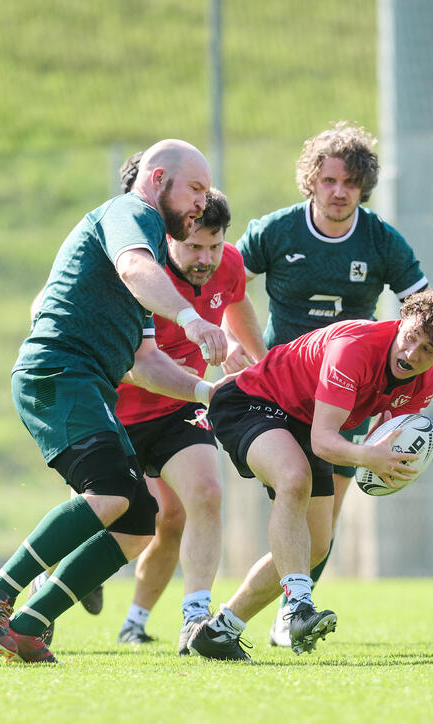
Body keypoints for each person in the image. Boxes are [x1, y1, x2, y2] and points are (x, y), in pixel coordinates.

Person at [0, 139, 229, 664]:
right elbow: (132, 267)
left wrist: (205, 392)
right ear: (156, 180)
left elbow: (143, 363)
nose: (202, 202)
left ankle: (32, 623)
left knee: (137, 523)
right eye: (194, 188)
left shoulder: (147, 262)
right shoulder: (131, 214)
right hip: (58, 372)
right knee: (108, 492)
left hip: (83, 379)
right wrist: (193, 320)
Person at [187, 291, 433, 660]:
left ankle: (220, 631)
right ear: (401, 322)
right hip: (252, 401)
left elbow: (386, 436)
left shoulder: (423, 385)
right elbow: (325, 442)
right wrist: (368, 458)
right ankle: (299, 610)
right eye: (410, 337)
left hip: (306, 421)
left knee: (316, 545)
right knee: (293, 477)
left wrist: (389, 463)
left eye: (429, 350)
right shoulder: (355, 347)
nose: (411, 354)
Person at [235, 121, 429, 646]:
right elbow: (226, 282)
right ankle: (257, 613)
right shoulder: (277, 231)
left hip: (348, 399)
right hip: (279, 393)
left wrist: (400, 391)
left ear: (364, 187)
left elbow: (424, 312)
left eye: (350, 183)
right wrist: (253, 354)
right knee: (292, 497)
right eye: (329, 181)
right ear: (311, 182)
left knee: (324, 522)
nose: (339, 192)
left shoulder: (381, 240)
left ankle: (289, 616)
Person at [112, 186, 266, 654]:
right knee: (117, 523)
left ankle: (194, 618)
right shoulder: (140, 276)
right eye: (194, 246)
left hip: (183, 406)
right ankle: (48, 588)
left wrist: (262, 366)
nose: (206, 257)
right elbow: (138, 364)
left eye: (214, 246)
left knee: (202, 496)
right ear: (169, 238)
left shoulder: (229, 264)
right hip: (117, 409)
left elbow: (236, 303)